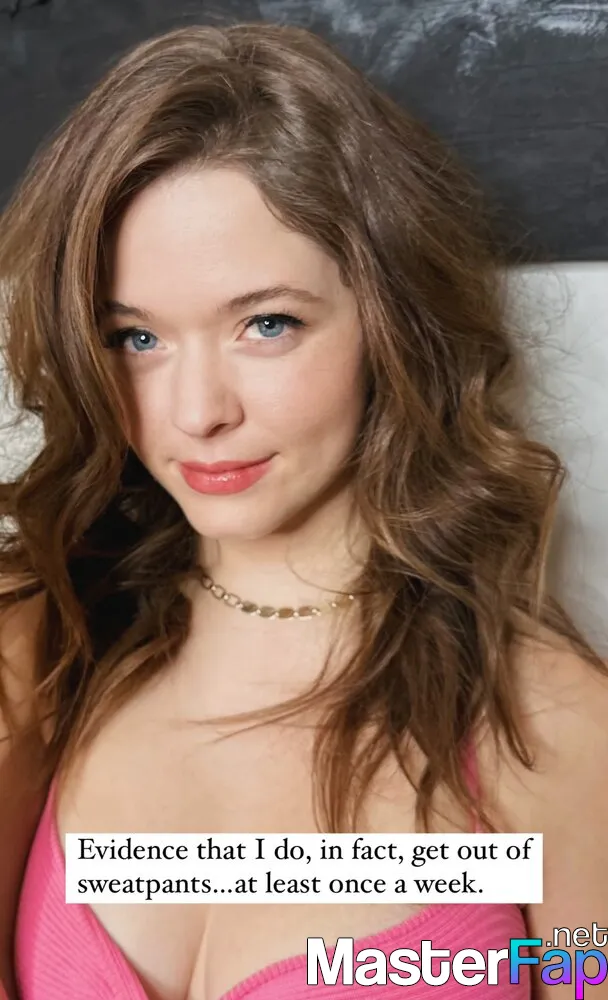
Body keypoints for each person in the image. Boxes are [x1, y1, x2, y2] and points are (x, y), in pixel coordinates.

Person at [0, 20, 606, 1000]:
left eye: (267, 323)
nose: (198, 412)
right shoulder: (50, 653)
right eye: (136, 338)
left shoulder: (546, 726)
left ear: (390, 320)